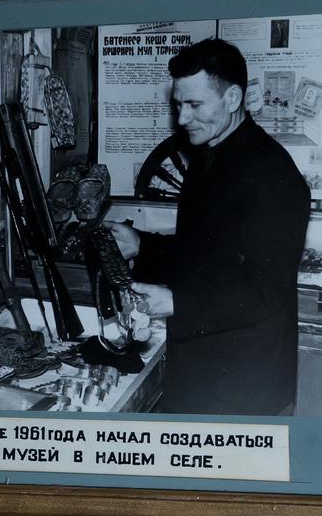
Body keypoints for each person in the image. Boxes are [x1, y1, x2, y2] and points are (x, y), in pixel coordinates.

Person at [108, 38, 310, 415]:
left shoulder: (272, 174)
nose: (182, 118)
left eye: (195, 105)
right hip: (203, 368)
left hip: (243, 386)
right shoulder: (209, 157)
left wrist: (176, 302)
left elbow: (264, 288)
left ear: (232, 99)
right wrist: (142, 245)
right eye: (178, 105)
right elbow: (205, 250)